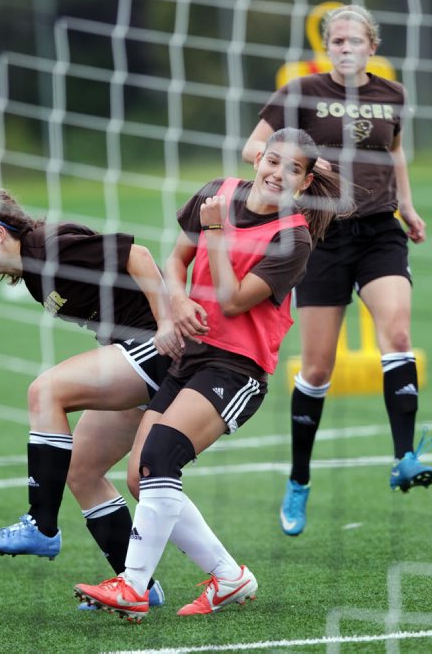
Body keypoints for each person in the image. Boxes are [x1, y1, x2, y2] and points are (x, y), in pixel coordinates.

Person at [72, 127, 343, 623]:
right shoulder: (215, 191)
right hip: (189, 356)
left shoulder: (294, 237)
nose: (278, 174)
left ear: (303, 184)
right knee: (140, 476)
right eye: (273, 161)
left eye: (293, 170)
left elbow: (235, 299)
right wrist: (175, 304)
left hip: (237, 368)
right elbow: (175, 261)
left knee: (159, 456)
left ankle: (132, 585)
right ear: (259, 158)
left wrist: (216, 234)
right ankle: (229, 576)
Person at [242, 4, 432, 538]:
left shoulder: (391, 95)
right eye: (338, 41)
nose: (346, 48)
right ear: (328, 47)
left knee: (396, 332)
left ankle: (404, 457)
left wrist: (409, 208)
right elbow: (252, 147)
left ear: (372, 47)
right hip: (322, 237)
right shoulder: (300, 93)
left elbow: (395, 155)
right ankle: (299, 481)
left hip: (379, 231)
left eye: (355, 41)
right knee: (319, 368)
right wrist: (303, 161)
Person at [0, 186, 184, 607]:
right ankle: (137, 585)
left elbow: (137, 257)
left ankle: (41, 525)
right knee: (82, 470)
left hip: (152, 348)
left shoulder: (50, 250)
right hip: (135, 354)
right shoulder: (33, 274)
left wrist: (166, 326)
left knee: (45, 390)